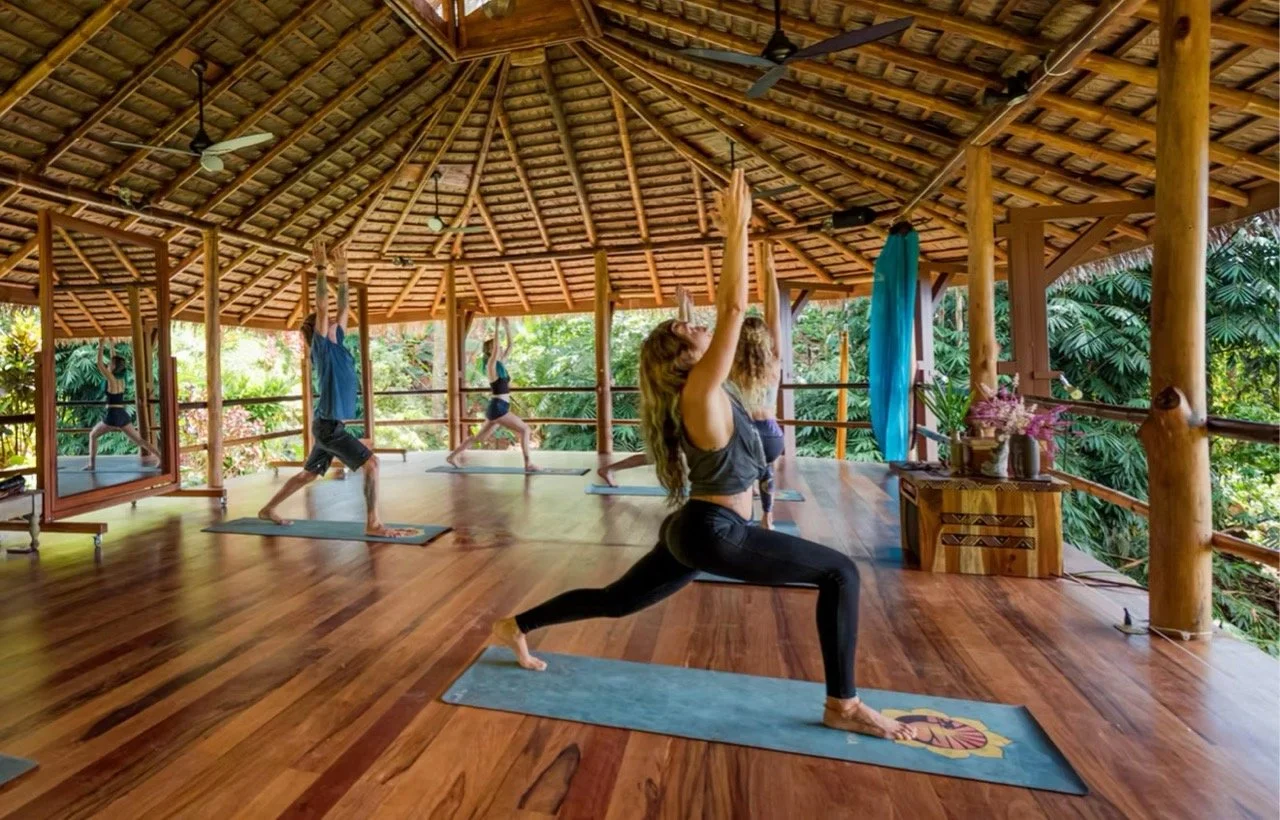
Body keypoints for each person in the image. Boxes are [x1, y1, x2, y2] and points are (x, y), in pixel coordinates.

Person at [492, 169, 912, 742]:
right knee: (840, 573)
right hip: (714, 531)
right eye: (685, 327)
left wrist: (733, 262)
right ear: (683, 356)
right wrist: (733, 229)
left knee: (617, 601)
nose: (695, 324)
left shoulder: (715, 388)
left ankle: (516, 624)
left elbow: (729, 315)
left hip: (695, 527)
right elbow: (733, 310)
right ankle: (843, 703)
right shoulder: (699, 391)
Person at [258, 241, 416, 537]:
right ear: (318, 329)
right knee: (372, 464)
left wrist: (343, 273)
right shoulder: (322, 349)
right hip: (330, 426)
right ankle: (374, 523)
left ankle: (268, 509)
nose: (333, 322)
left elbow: (343, 307)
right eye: (327, 322)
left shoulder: (338, 344)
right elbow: (323, 306)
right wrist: (320, 269)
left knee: (308, 474)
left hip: (327, 424)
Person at [595, 285, 695, 487]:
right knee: (660, 454)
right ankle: (608, 469)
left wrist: (685, 307)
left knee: (660, 455)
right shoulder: (673, 359)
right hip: (674, 412)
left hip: (679, 410)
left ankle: (608, 469)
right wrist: (685, 309)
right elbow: (686, 335)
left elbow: (688, 332)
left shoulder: (683, 356)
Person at [445, 316, 540, 472]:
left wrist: (507, 326)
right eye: (497, 347)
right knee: (525, 430)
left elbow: (511, 346)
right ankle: (528, 463)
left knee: (478, 438)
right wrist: (496, 326)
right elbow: (497, 348)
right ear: (490, 350)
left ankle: (452, 456)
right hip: (498, 408)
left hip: (497, 408)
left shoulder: (500, 364)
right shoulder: (491, 365)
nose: (501, 348)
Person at [729, 280, 784, 529]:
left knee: (739, 474)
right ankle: (768, 517)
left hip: (744, 434)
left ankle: (742, 513)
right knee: (767, 471)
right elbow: (775, 322)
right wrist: (770, 276)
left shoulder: (731, 367)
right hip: (772, 435)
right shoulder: (775, 363)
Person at [83, 338, 162, 471]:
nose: (108, 364)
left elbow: (99, 364)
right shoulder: (121, 380)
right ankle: (160, 457)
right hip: (122, 414)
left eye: (111, 364)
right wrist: (111, 345)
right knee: (139, 441)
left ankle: (92, 465)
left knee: (93, 435)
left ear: (113, 367)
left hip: (112, 415)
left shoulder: (112, 379)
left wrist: (101, 345)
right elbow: (113, 361)